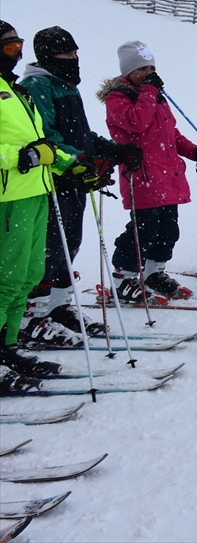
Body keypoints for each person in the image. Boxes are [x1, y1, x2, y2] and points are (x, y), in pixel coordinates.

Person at [18, 26, 141, 346]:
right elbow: (47, 135)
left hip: (76, 179)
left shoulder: (65, 86)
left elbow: (79, 134)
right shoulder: (38, 85)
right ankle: (35, 315)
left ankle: (59, 307)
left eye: (75, 53)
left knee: (69, 243)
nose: (74, 59)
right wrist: (78, 161)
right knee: (49, 247)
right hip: (56, 179)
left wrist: (111, 150)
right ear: (48, 56)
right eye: (67, 53)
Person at [101, 41, 197, 300]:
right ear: (128, 72)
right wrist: (149, 90)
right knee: (144, 229)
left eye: (151, 68)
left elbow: (170, 133)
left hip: (167, 175)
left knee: (168, 229)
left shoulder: (155, 97)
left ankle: (154, 272)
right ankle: (124, 276)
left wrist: (193, 150)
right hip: (143, 175)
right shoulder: (118, 97)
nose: (148, 73)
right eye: (141, 69)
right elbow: (137, 123)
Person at [0, 20, 75, 379]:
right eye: (9, 47)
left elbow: (42, 140)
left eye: (18, 46)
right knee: (7, 277)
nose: (15, 53)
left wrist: (69, 164)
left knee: (29, 274)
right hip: (8, 197)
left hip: (36, 192)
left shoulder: (16, 90)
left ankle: (8, 343)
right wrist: (21, 157)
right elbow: (23, 150)